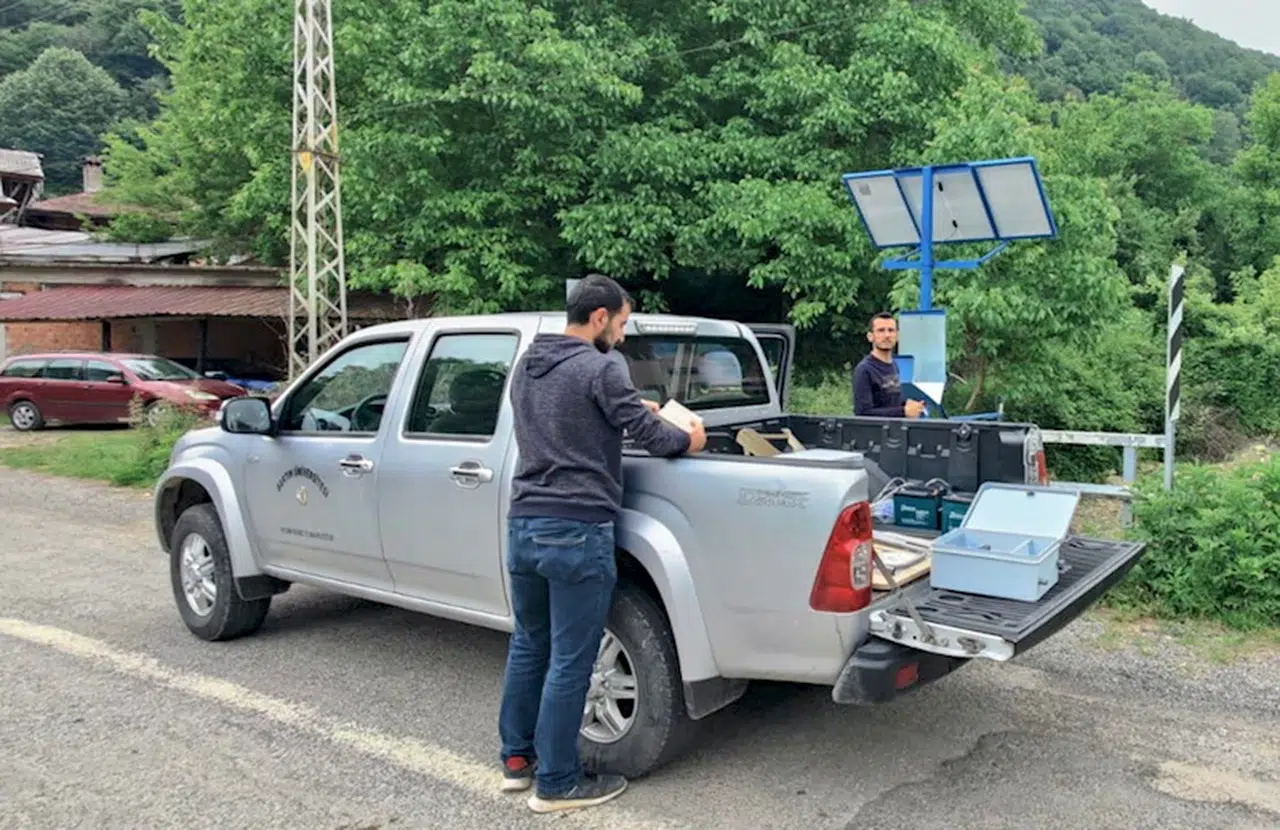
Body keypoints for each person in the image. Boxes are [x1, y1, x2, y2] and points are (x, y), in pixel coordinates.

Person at [498, 274, 707, 814]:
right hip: (577, 529)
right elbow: (656, 439)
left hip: (524, 523)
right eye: (620, 321)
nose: (621, 332)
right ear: (598, 318)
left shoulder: (528, 365)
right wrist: (691, 436)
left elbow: (576, 420)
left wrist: (635, 409)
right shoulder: (602, 366)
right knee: (573, 658)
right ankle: (559, 784)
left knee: (529, 645)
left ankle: (517, 762)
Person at [852, 311, 926, 419]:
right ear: (870, 336)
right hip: (873, 435)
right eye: (881, 330)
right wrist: (903, 412)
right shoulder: (864, 370)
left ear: (898, 336)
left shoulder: (894, 365)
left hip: (895, 433)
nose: (887, 335)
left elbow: (890, 401)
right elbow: (863, 413)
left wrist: (907, 404)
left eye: (891, 330)